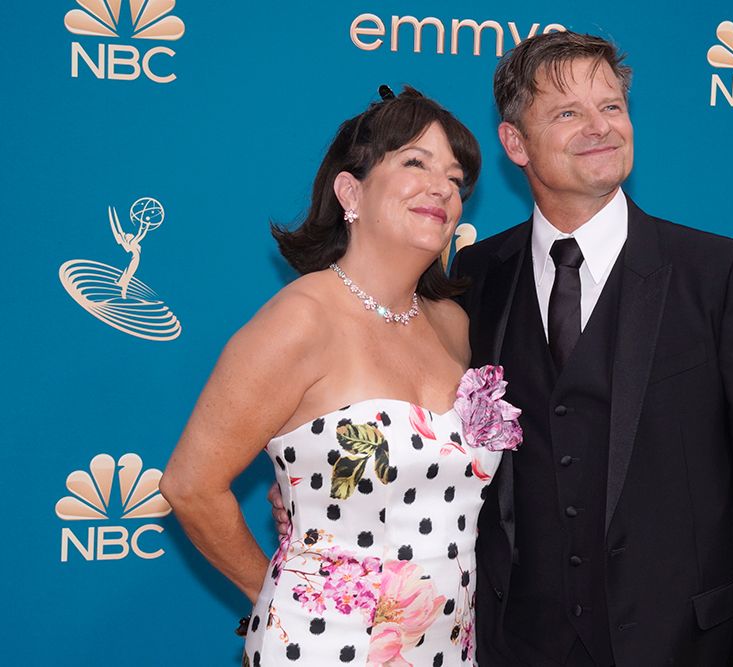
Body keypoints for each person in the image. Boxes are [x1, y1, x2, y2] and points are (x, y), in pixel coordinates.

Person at [447, 32, 733, 666]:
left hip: (684, 648)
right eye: (568, 113)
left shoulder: (723, 276)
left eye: (612, 106)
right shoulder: (476, 276)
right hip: (516, 646)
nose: (601, 127)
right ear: (515, 144)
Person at [161, 87, 521, 666]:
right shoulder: (300, 320)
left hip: (449, 646)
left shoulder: (454, 324)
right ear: (350, 190)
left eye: (457, 180)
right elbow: (190, 486)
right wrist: (276, 594)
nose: (443, 189)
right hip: (322, 644)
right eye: (415, 163)